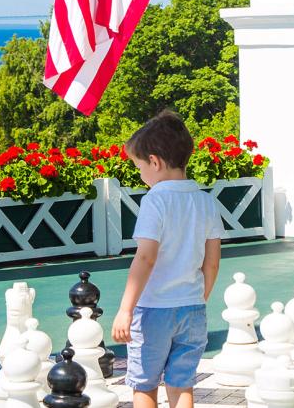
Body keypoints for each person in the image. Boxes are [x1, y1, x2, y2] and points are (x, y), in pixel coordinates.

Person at [110, 111, 224, 408]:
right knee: (181, 384)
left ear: (155, 162)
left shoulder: (155, 200)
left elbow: (145, 259)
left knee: (145, 385)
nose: (140, 174)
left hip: (152, 312)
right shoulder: (206, 201)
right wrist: (200, 297)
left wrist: (125, 309)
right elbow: (212, 262)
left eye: (138, 167)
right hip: (192, 308)